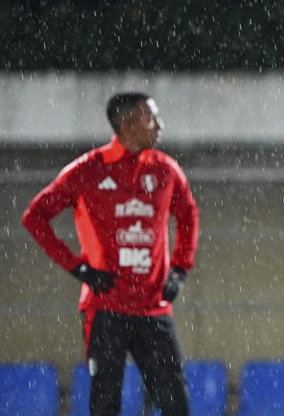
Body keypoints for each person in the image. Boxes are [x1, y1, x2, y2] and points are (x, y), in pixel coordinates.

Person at [22, 93, 198, 416]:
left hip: (153, 308)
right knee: (105, 404)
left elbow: (188, 215)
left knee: (176, 404)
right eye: (152, 118)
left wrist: (180, 268)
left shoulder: (166, 170)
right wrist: (78, 268)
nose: (160, 126)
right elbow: (35, 217)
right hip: (105, 308)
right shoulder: (88, 170)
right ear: (127, 125)